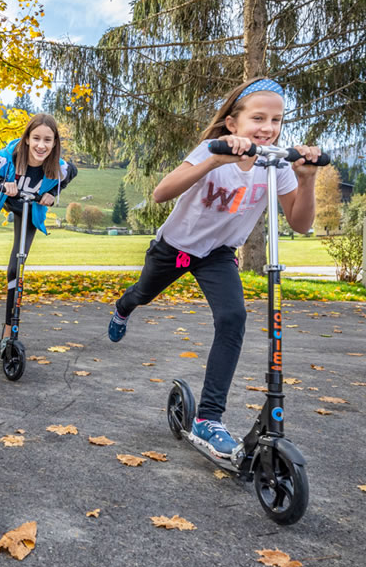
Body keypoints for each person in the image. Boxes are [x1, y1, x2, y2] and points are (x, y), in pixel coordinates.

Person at [107, 78, 322, 458]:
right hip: (174, 247)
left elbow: (301, 224)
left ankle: (208, 418)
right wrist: (214, 160)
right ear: (232, 124)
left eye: (277, 119)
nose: (269, 128)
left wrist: (308, 179)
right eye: (258, 118)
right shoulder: (213, 149)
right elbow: (160, 194)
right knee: (143, 293)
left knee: (233, 317)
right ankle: (125, 307)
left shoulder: (276, 164)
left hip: (219, 254)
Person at [0, 113, 77, 357]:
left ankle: (9, 330)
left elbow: (70, 176)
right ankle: (8, 333)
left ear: (54, 143)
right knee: (13, 268)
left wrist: (52, 195)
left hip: (31, 209)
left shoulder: (59, 167)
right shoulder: (7, 157)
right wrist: (1, 185)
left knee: (15, 267)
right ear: (27, 138)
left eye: (48, 140)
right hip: (12, 200)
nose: (41, 145)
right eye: (36, 138)